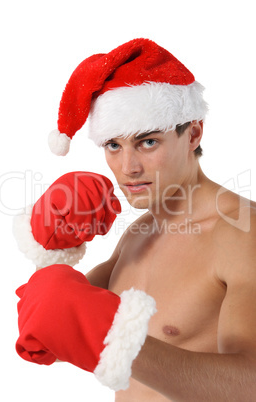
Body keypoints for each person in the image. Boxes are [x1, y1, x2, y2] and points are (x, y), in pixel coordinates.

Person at [14, 39, 256, 401]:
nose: (128, 168)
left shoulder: (241, 236)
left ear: (193, 133)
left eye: (147, 142)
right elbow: (50, 332)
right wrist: (49, 249)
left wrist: (118, 340)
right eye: (113, 145)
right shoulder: (138, 236)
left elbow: (248, 385)